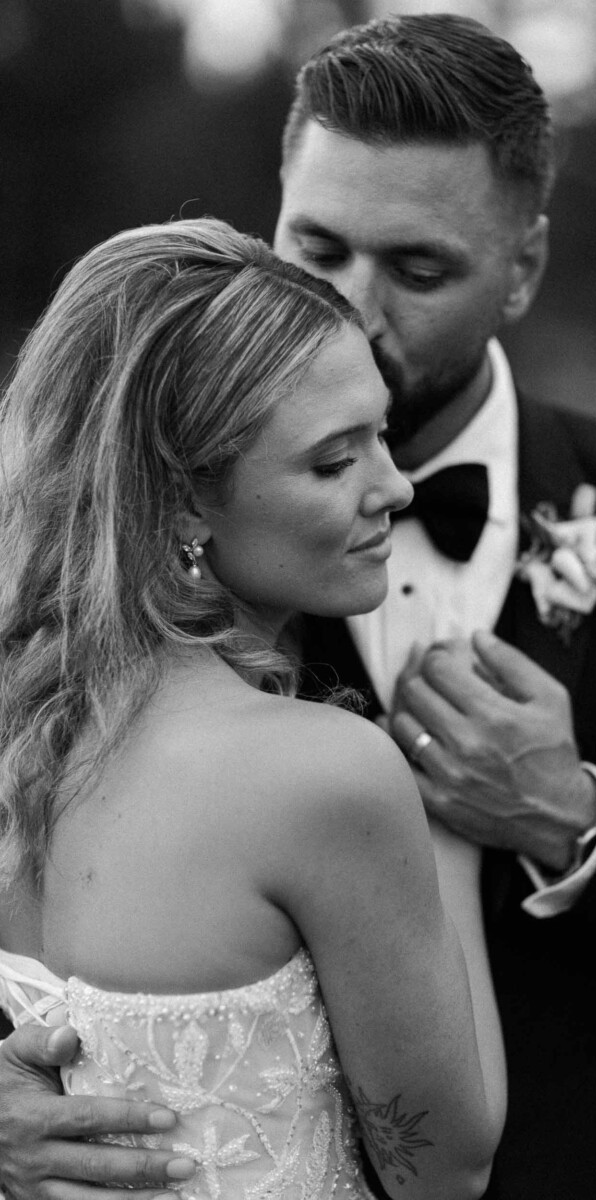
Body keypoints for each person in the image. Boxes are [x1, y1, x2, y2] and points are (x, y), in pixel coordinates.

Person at [2, 11, 596, 1200]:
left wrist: (572, 820)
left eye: (417, 269)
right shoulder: (152, 549)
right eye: (315, 246)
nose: (354, 308)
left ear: (521, 267)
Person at [0, 216, 507, 1200]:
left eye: (382, 438)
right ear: (182, 502)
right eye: (332, 463)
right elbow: (444, 1171)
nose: (395, 487)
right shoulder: (328, 775)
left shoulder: (18, 724)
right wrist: (450, 823)